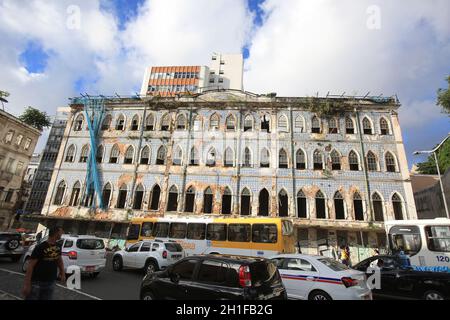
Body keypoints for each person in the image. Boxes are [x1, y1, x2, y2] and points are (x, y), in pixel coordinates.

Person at [22, 227, 66, 300]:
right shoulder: (40, 247)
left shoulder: (58, 246)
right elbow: (30, 266)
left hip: (50, 281)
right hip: (37, 282)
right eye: (61, 232)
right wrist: (27, 284)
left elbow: (59, 260)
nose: (62, 234)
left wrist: (62, 273)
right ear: (56, 233)